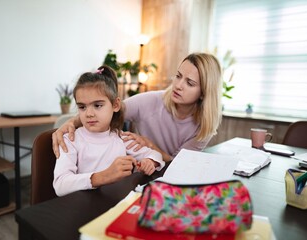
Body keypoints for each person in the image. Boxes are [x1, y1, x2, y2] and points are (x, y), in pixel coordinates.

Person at [52, 52, 222, 163]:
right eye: (178, 76)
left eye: (189, 83)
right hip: (141, 172)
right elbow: (108, 110)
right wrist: (72, 123)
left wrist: (151, 146)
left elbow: (178, 165)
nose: (178, 85)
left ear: (203, 92)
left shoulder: (204, 127)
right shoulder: (150, 101)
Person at [53, 66, 165, 197]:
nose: (89, 114)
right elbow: (60, 184)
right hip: (83, 207)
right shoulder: (70, 140)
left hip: (115, 204)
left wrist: (150, 162)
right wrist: (102, 177)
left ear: (115, 105)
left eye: (97, 105)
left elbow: (156, 155)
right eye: (82, 107)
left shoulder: (121, 138)